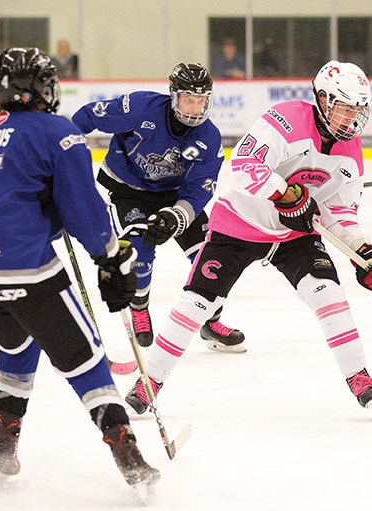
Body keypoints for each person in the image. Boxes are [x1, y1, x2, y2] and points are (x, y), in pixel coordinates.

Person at [0, 47, 158, 491]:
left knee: (20, 342)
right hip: (23, 267)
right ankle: (125, 448)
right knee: (84, 356)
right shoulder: (59, 131)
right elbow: (86, 215)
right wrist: (113, 258)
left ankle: (2, 444)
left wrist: (47, 216)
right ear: (45, 89)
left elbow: (1, 204)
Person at [123, 60, 372, 417]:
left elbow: (340, 211)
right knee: (196, 304)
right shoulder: (285, 119)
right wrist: (286, 195)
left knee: (330, 297)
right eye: (344, 108)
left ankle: (359, 377)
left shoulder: (351, 151)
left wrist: (367, 252)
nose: (351, 119)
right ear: (323, 99)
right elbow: (244, 164)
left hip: (293, 236)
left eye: (357, 110)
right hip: (238, 225)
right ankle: (150, 383)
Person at [72, 62, 246, 354]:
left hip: (173, 195)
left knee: (212, 255)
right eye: (189, 99)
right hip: (129, 191)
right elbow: (88, 116)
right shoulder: (140, 108)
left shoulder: (209, 137)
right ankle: (140, 307)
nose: (195, 108)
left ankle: (211, 320)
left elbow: (200, 188)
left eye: (201, 100)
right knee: (139, 251)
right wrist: (60, 150)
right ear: (174, 96)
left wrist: (175, 216)